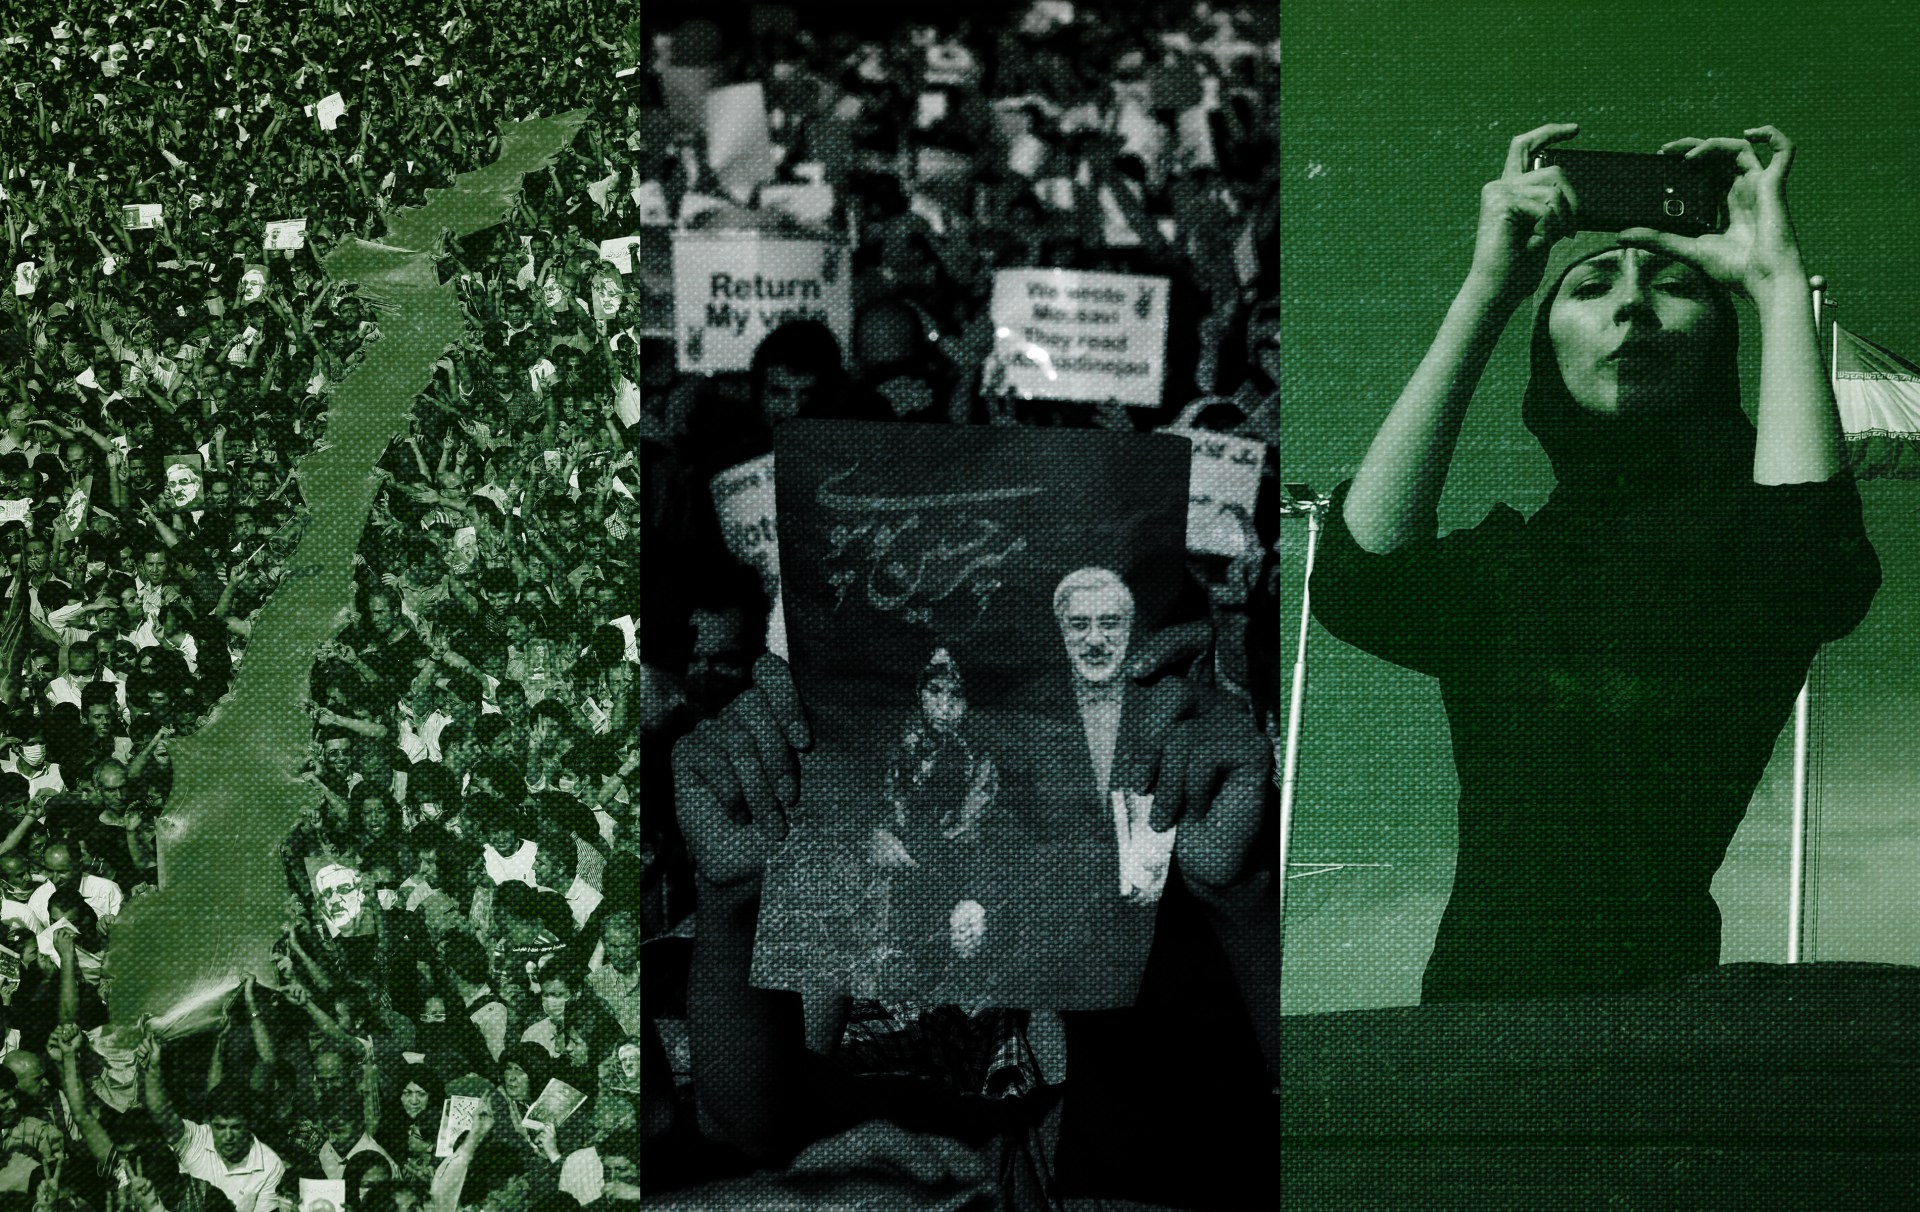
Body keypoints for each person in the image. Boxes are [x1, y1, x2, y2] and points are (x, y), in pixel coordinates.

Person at [1310, 124, 1882, 1004]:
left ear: (1719, 353)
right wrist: (1491, 287)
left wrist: (1771, 283)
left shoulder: (1742, 562)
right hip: (1470, 1031)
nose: (1631, 308)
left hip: (1657, 1032)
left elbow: (1813, 551)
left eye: (1674, 284)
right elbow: (1357, 579)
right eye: (1591, 284)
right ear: (1546, 354)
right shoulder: (1506, 571)